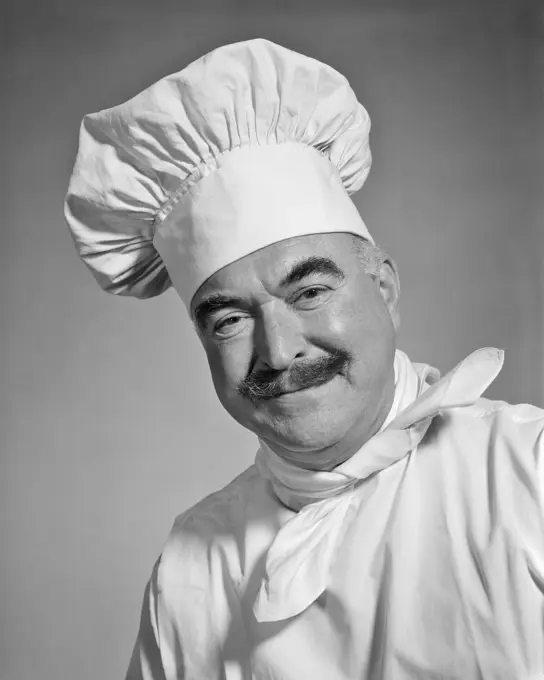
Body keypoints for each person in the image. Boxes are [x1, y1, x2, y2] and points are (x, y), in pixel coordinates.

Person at [64, 39, 544, 680]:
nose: (279, 349)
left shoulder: (526, 473)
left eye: (310, 292)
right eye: (230, 320)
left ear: (385, 288)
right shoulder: (191, 563)